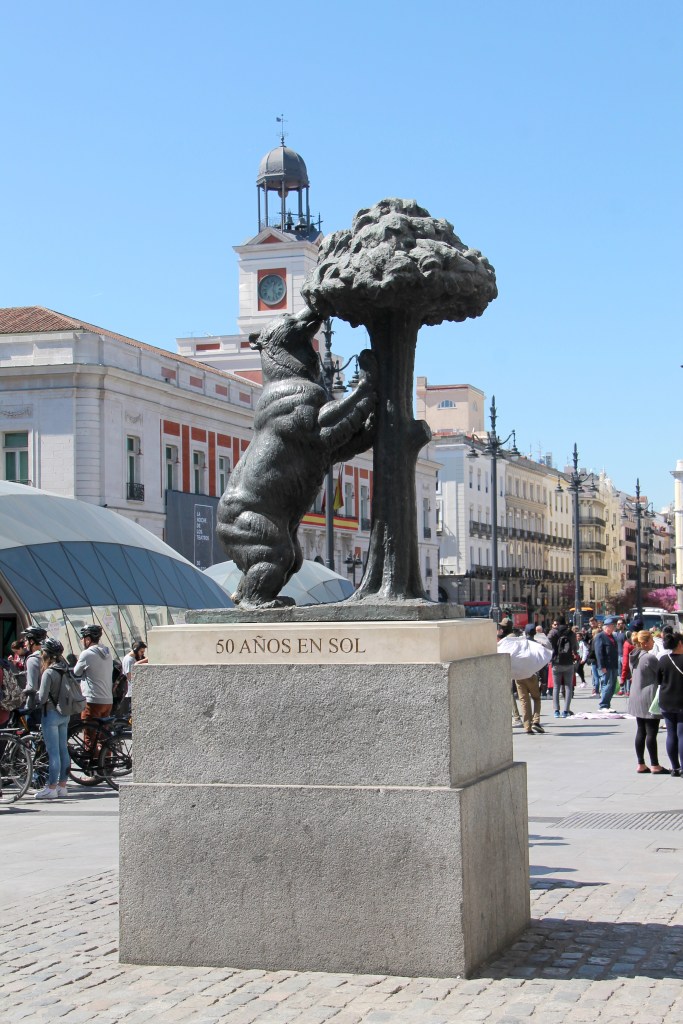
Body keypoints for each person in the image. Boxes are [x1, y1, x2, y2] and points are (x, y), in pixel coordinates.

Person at [34, 637, 71, 800]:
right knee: (63, 750)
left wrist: (34, 696)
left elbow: (42, 698)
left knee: (53, 753)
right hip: (65, 713)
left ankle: (51, 788)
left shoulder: (49, 672)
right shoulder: (65, 668)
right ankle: (62, 786)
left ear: (46, 654)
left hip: (50, 714)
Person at [627, 630, 668, 774]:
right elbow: (662, 673)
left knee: (641, 730)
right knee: (651, 732)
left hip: (636, 696)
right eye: (651, 640)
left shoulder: (634, 655)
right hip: (648, 697)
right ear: (644, 643)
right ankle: (655, 765)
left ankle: (641, 763)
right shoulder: (649, 658)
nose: (653, 643)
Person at [73, 624, 114, 763]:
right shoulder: (107, 652)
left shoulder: (86, 654)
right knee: (103, 735)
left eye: (83, 638)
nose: (82, 641)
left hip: (92, 700)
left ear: (88, 639)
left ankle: (93, 765)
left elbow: (76, 672)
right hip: (107, 700)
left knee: (90, 735)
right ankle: (106, 764)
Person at [656, 631, 683, 777]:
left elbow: (658, 680)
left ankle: (675, 767)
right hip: (681, 701)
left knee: (671, 734)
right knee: (681, 735)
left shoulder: (663, 659)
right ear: (680, 644)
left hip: (666, 700)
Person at [548, 616, 578, 718]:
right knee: (568, 686)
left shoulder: (554, 632)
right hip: (569, 662)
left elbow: (547, 643)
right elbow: (575, 647)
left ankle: (556, 710)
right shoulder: (571, 633)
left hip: (556, 662)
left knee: (556, 686)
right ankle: (566, 710)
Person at [19, 625, 48, 729]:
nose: (25, 643)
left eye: (26, 640)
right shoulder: (48, 655)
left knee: (33, 736)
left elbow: (32, 687)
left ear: (32, 641)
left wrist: (20, 693)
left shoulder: (32, 659)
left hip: (36, 705)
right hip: (51, 704)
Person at [594, 616, 619, 711]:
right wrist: (602, 666)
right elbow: (599, 652)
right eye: (612, 626)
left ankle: (607, 704)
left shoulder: (612, 636)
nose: (613, 628)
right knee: (607, 684)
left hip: (613, 664)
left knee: (612, 685)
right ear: (607, 627)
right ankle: (603, 705)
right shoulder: (600, 636)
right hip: (606, 665)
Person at [120, 640, 147, 716]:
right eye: (141, 652)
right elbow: (130, 676)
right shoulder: (129, 659)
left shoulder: (133, 658)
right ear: (136, 650)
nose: (142, 654)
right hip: (131, 692)